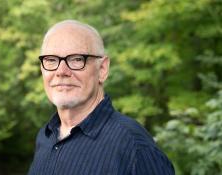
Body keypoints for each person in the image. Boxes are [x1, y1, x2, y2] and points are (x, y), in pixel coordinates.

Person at [28, 19, 175, 175]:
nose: (61, 71)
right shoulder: (45, 136)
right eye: (51, 60)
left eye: (77, 59)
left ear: (103, 69)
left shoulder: (135, 148)